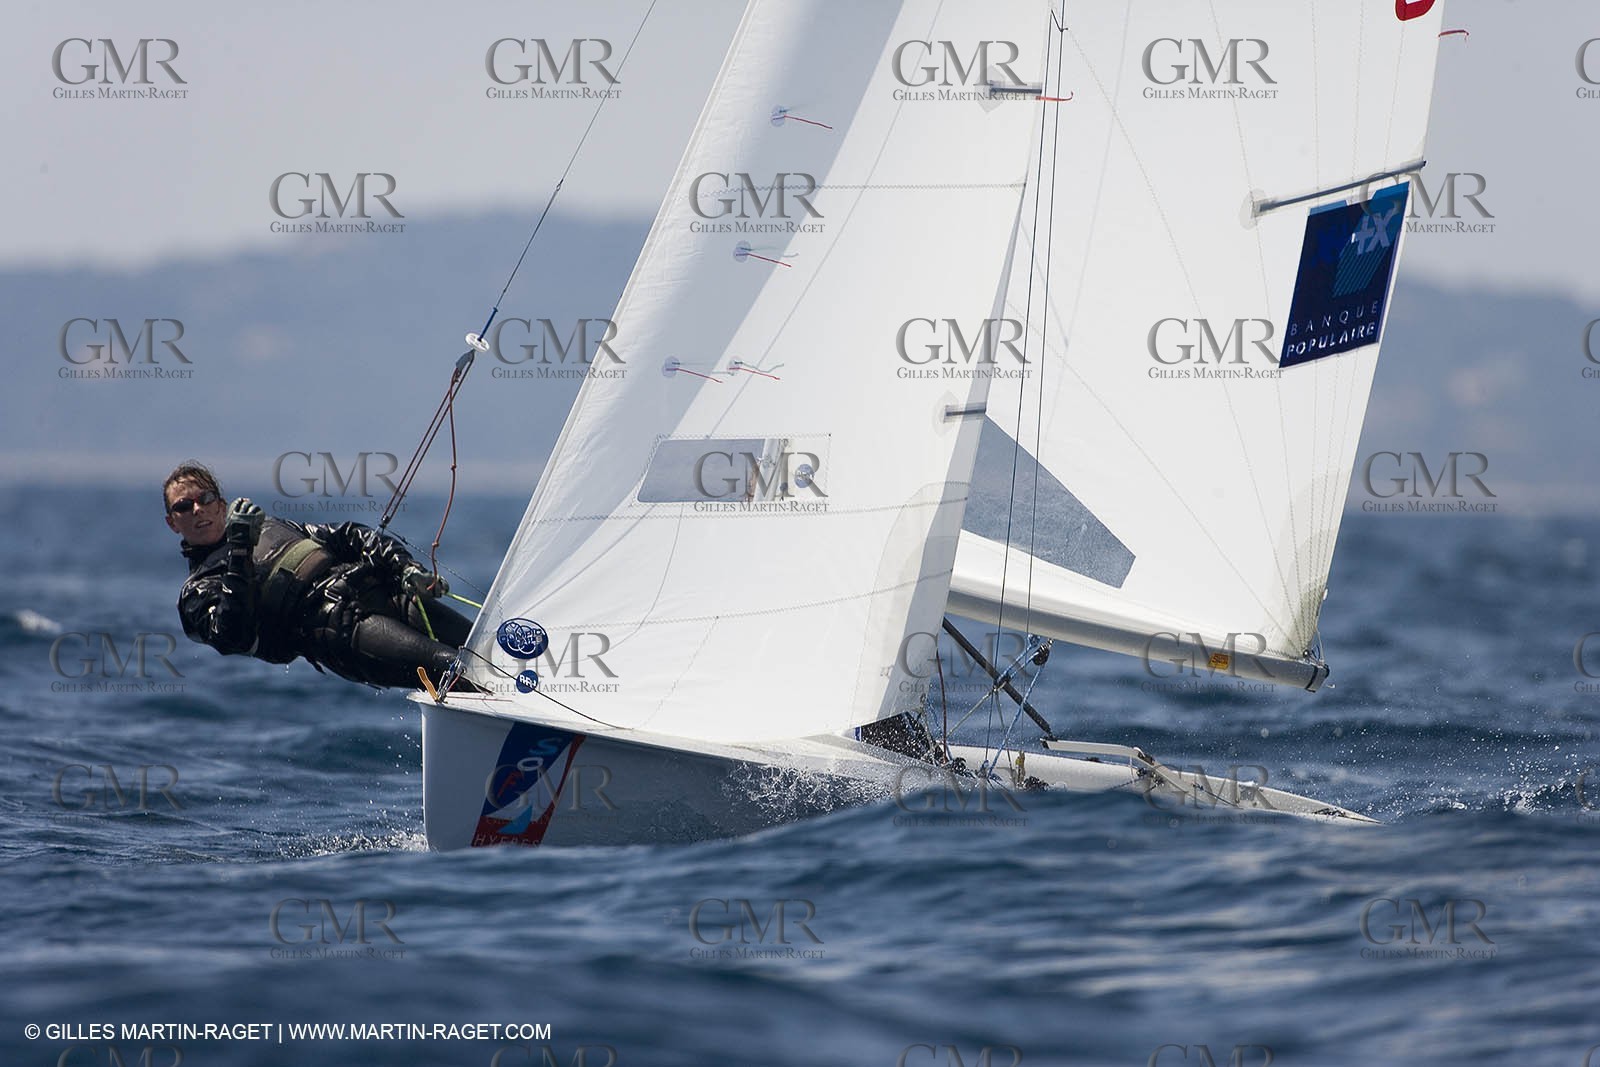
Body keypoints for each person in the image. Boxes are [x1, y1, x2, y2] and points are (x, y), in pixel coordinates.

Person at [163, 461, 474, 689]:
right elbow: (233, 635)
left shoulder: (272, 526)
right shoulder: (197, 592)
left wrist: (406, 568)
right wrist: (241, 550)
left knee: (485, 649)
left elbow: (348, 535)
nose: (196, 510)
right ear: (172, 523)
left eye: (204, 499)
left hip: (385, 594)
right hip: (341, 630)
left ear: (220, 505)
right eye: (183, 506)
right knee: (457, 669)